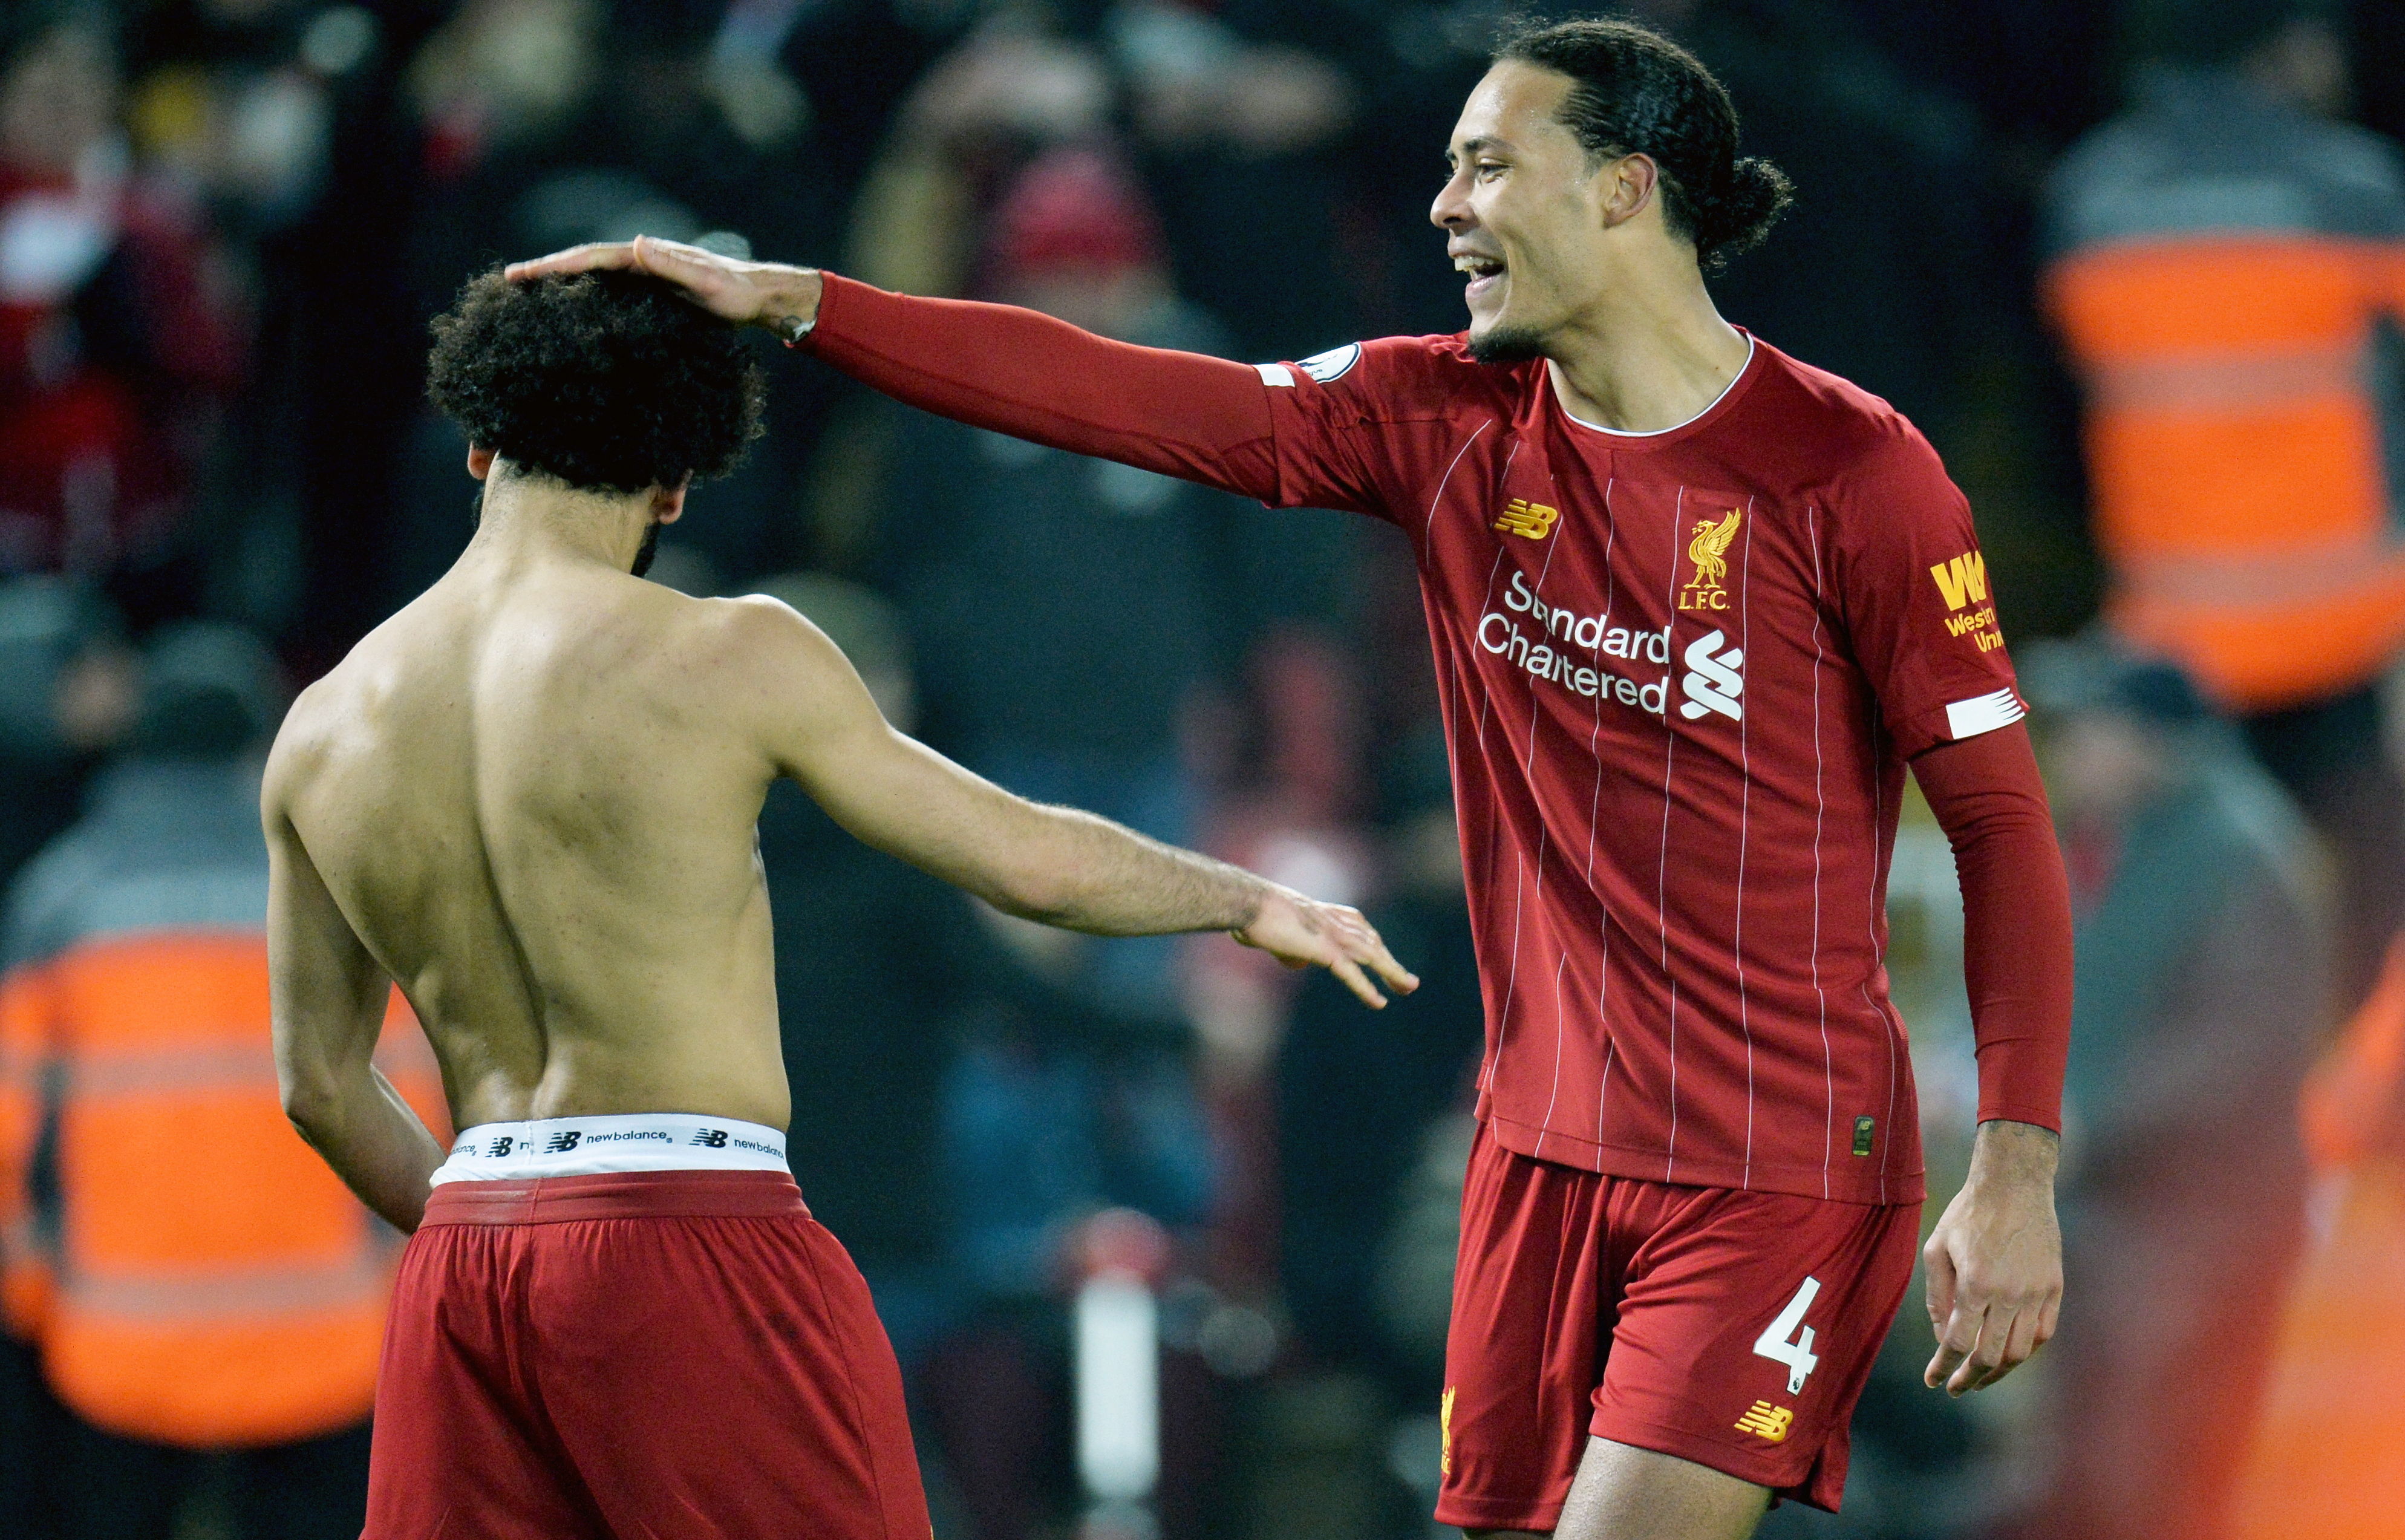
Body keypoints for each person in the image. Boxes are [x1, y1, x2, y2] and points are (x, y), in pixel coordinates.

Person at [513, 15, 2076, 1538]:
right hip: (1535, 1148)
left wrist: (2013, 1168)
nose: (1444, 205)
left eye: (1487, 166)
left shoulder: (1848, 472)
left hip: (1772, 1157)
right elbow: (1114, 392)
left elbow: (2004, 829)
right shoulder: (1439, 418)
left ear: (1624, 191)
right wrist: (799, 303)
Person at [261, 267, 1415, 1540]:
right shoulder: (728, 651)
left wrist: (504, 1239)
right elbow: (1025, 862)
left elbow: (320, 1086)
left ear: (477, 445)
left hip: (462, 1263)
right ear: (676, 478)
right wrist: (1240, 897)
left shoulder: (323, 723)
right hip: (689, 1234)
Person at [1, 623, 439, 1540]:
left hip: (115, 1347)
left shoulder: (60, 904)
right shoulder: (335, 896)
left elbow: (7, 1137)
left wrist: (40, 1293)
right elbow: (416, 1132)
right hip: (328, 1344)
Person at [2040, 0, 2405, 1005]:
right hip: (2339, 626)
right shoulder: (2353, 191)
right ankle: (2351, 1125)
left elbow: (2067, 415)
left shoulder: (2089, 198)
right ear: (2284, 47)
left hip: (2174, 635)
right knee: (2370, 901)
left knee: (2182, 914)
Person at [2018, 647, 2326, 1540]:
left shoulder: (2244, 853)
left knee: (2150, 1480)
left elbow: (2233, 1057)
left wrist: (2084, 1118)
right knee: (2082, 1469)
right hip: (2122, 1220)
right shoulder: (2133, 838)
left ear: (2152, 741)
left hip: (2202, 1234)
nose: (2068, 748)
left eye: (2090, 728)